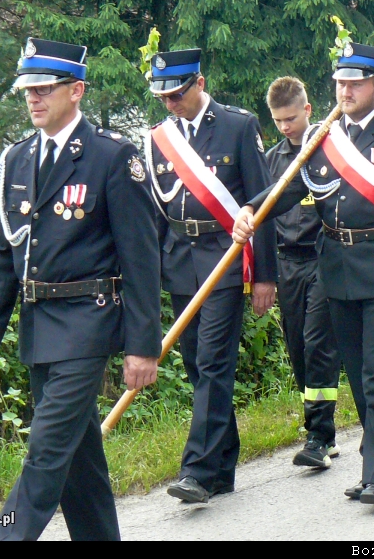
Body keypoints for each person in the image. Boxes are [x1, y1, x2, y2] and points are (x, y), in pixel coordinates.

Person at [0, 38, 161, 540]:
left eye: (44, 89)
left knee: (46, 451)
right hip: (39, 328)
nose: (33, 98)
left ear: (76, 91)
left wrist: (143, 346)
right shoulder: (17, 159)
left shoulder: (111, 156)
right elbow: (3, 251)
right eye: (27, 90)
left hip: (88, 322)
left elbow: (141, 260)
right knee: (79, 464)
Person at [232, 41, 374, 508]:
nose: (346, 91)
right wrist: (251, 209)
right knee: (361, 376)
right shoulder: (324, 138)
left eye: (355, 83)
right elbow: (288, 189)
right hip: (338, 269)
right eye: (340, 83)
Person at [145, 49, 278, 503]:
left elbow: (263, 201)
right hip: (180, 261)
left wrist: (264, 275)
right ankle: (222, 467)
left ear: (199, 83)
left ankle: (197, 471)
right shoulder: (160, 138)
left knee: (214, 361)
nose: (170, 104)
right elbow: (156, 212)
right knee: (197, 365)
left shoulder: (238, 126)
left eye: (177, 94)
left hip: (226, 258)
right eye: (163, 97)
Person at [264, 77, 343, 467]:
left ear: (308, 110)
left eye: (291, 119)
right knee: (297, 346)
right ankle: (317, 426)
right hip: (286, 262)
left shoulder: (329, 148)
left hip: (323, 257)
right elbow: (264, 216)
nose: (285, 127)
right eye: (278, 120)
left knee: (317, 343)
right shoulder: (272, 160)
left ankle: (319, 436)